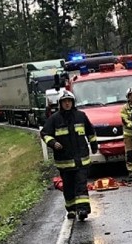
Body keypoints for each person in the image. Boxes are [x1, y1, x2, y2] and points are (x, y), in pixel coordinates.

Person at [41, 90, 98, 221]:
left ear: (73, 102)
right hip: (64, 162)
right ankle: (71, 209)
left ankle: (83, 209)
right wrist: (53, 143)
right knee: (68, 186)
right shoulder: (54, 119)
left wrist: (94, 146)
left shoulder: (81, 116)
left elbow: (90, 132)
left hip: (81, 161)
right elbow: (45, 134)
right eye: (64, 102)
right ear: (60, 103)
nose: (67, 104)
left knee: (81, 185)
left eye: (69, 101)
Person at [120, 87, 132, 178]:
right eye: (130, 95)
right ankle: (131, 170)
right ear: (127, 97)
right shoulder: (124, 108)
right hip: (129, 135)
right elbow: (124, 119)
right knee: (130, 153)